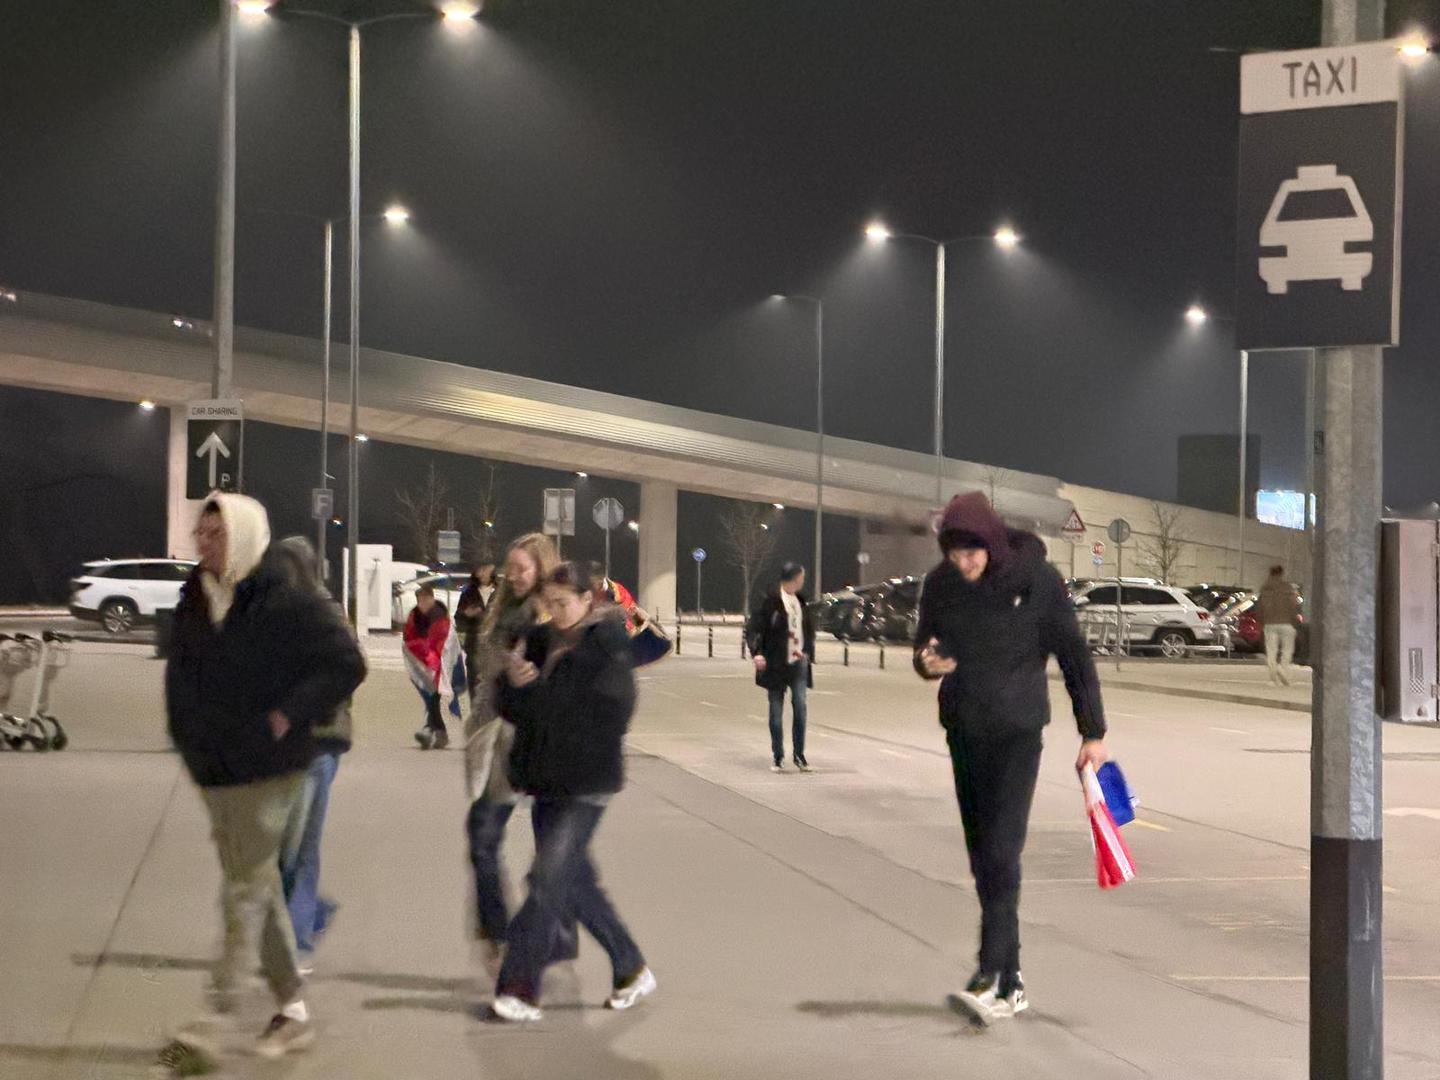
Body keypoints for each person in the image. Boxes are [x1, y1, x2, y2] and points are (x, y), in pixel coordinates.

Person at [165, 495, 366, 1060]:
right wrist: (187, 738)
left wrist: (287, 714)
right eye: (202, 533)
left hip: (272, 767)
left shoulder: (286, 595)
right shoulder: (196, 596)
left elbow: (347, 663)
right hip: (215, 767)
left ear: (245, 535)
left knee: (244, 890)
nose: (205, 543)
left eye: (218, 533)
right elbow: (180, 676)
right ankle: (292, 1008)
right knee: (259, 883)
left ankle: (215, 1017)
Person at [913, 492, 1107, 1025]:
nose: (964, 563)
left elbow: (1073, 654)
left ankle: (994, 975)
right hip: (964, 729)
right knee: (983, 856)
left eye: (972, 552)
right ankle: (1008, 976)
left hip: (1018, 732)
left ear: (992, 543)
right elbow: (924, 645)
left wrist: (1093, 731)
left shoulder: (1036, 580)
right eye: (955, 553)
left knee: (1002, 850)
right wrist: (928, 662)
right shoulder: (941, 584)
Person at [491, 562, 656, 1022]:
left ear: (587, 600)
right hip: (545, 779)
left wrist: (538, 695)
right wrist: (514, 685)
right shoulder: (539, 640)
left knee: (546, 880)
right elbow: (511, 707)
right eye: (549, 603)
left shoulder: (609, 645)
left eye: (563, 603)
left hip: (588, 781)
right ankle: (631, 968)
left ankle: (518, 987)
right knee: (575, 883)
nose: (555, 611)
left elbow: (611, 713)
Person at [463, 534, 576, 971]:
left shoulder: (545, 616)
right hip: (494, 732)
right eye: (509, 567)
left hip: (520, 741)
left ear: (541, 568)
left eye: (522, 568)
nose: (512, 575)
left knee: (488, 834)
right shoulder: (504, 608)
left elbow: (558, 680)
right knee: (537, 842)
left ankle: (502, 936)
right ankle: (541, 934)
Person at [268, 537, 352, 975]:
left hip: (316, 743)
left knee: (298, 847)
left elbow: (346, 674)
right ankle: (307, 915)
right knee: (283, 846)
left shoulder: (324, 614)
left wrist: (303, 708)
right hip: (283, 746)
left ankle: (296, 940)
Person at [746, 562, 816, 772]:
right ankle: (778, 756)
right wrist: (757, 653)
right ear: (793, 579)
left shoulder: (801, 602)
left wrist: (807, 651)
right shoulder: (771, 602)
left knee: (800, 707)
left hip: (798, 662)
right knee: (776, 711)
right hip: (775, 663)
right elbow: (754, 629)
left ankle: (799, 755)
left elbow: (807, 630)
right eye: (801, 577)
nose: (803, 581)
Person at [404, 585, 465, 750]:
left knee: (434, 696)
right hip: (423, 665)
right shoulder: (414, 615)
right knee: (431, 697)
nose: (422, 603)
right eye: (419, 600)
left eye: (425, 599)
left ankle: (430, 730)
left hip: (441, 664)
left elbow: (443, 641)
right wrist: (421, 652)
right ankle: (438, 732)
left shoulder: (439, 616)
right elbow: (409, 636)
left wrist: (432, 656)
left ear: (432, 598)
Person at [1257, 564, 1301, 686]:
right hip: (1287, 623)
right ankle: (1283, 669)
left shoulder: (1265, 589)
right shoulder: (1288, 588)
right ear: (1282, 573)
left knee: (1271, 651)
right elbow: (1293, 606)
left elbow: (1259, 608)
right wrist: (1295, 621)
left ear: (1270, 573)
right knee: (1287, 649)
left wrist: (1262, 621)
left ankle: (1274, 677)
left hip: (1269, 624)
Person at [457, 564, 497, 692]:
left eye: (485, 569)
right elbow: (458, 617)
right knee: (474, 684)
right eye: (479, 570)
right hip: (474, 644)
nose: (482, 573)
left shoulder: (500, 591)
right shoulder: (468, 593)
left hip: (495, 646)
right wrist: (467, 614)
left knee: (494, 687)